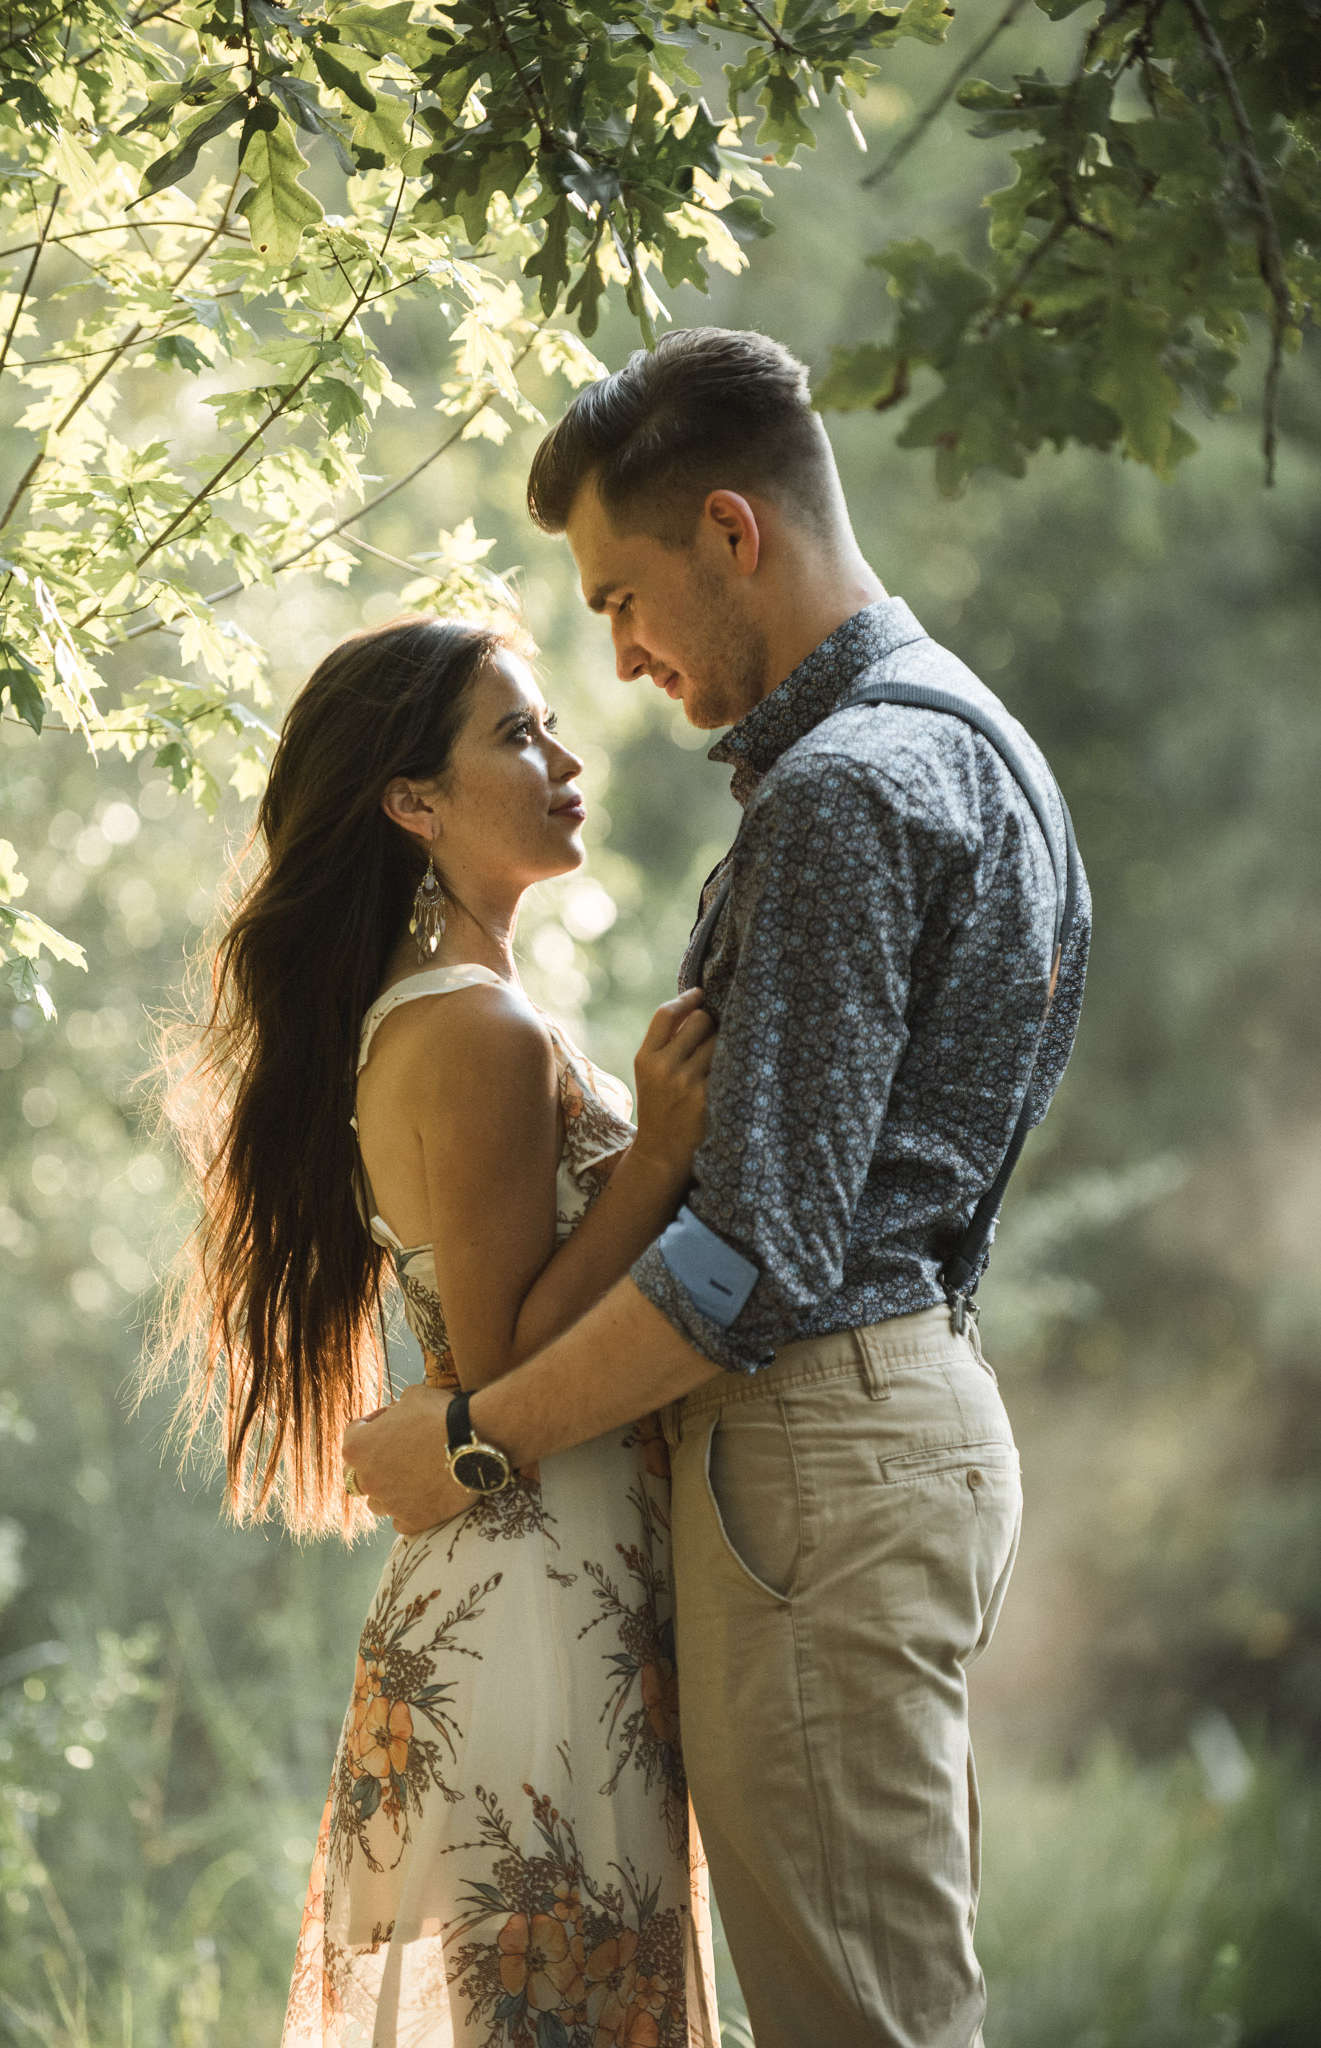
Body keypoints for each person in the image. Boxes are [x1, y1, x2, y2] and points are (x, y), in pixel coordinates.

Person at [342, 328, 1093, 2048]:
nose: (620, 656)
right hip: (904, 1422)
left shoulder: (839, 795)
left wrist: (476, 1437)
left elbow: (754, 1253)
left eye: (620, 596)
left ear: (733, 534)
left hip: (819, 1449)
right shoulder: (978, 742)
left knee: (858, 2024)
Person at [160, 615, 723, 2046]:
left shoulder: (456, 1014)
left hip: (548, 1585)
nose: (566, 756)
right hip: (532, 1610)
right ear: (412, 803)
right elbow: (502, 1358)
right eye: (516, 733)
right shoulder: (473, 1030)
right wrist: (656, 1156)